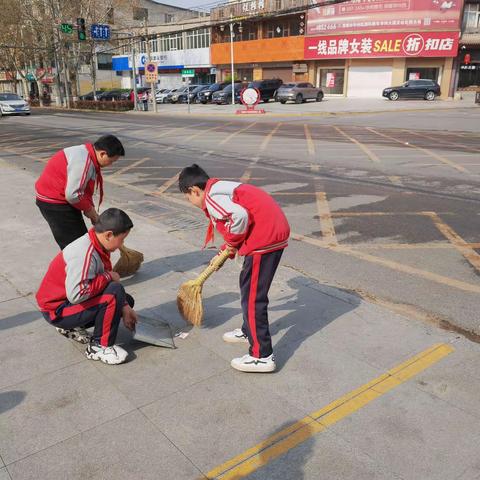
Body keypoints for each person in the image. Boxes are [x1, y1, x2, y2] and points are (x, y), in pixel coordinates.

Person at [179, 164, 290, 373]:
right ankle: (249, 330)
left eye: (189, 198)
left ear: (195, 190)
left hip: (264, 239)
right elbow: (239, 218)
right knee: (247, 286)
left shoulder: (212, 197)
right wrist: (228, 247)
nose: (191, 202)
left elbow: (239, 217)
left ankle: (261, 356)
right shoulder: (218, 188)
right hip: (270, 233)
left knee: (253, 297)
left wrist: (231, 242)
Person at [36, 208, 138, 365]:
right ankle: (99, 346)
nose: (121, 245)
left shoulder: (97, 244)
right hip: (56, 310)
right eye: (122, 239)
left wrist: (125, 307)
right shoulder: (85, 253)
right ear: (109, 235)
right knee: (115, 292)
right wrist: (108, 276)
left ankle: (72, 327)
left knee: (125, 300)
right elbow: (77, 294)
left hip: (68, 304)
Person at [35, 134, 125, 249]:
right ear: (103, 154)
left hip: (61, 199)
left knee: (81, 240)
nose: (111, 164)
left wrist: (92, 214)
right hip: (54, 203)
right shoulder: (84, 162)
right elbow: (73, 195)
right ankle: (73, 266)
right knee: (75, 246)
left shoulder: (87, 152)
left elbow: (83, 190)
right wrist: (89, 210)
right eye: (111, 161)